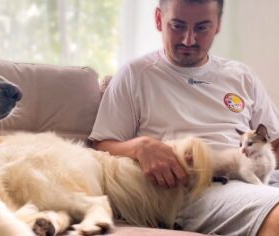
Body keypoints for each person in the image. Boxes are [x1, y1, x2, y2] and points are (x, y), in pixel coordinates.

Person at [89, 0, 279, 235]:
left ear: (218, 25)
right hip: (201, 189)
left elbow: (275, 143)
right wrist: (141, 147)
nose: (189, 40)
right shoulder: (135, 74)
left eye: (202, 28)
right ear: (159, 20)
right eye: (177, 26)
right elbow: (100, 147)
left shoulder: (241, 75)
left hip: (259, 175)